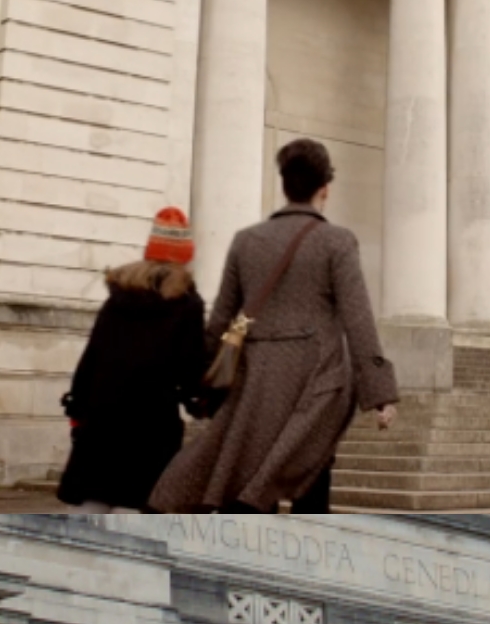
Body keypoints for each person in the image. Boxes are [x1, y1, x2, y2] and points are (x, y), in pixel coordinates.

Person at [151, 138, 398, 513]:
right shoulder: (338, 242)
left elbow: (220, 321)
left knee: (245, 474)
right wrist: (380, 394)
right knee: (312, 477)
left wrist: (202, 380)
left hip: (257, 381)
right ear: (325, 188)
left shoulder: (246, 241)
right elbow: (358, 319)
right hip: (318, 382)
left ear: (284, 185)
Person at [56, 207, 207, 511]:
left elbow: (92, 356)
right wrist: (202, 401)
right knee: (135, 505)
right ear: (184, 256)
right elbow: (191, 365)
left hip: (103, 417)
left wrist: (78, 408)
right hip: (152, 421)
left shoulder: (118, 297)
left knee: (92, 504)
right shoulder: (186, 303)